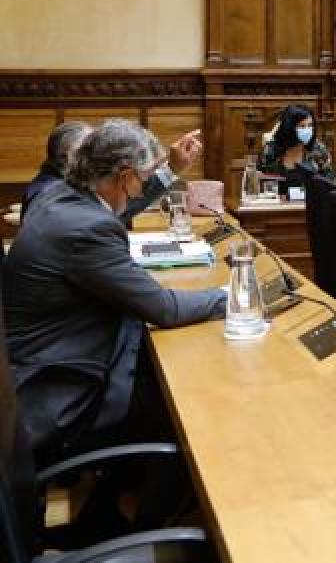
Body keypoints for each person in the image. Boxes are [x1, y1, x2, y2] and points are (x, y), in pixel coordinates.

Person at [3, 119, 227, 462]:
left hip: (35, 370)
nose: (145, 185)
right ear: (124, 175)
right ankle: (120, 514)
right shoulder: (87, 230)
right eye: (146, 176)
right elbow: (164, 309)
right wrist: (232, 295)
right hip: (61, 393)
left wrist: (171, 170)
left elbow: (115, 208)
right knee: (191, 415)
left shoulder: (62, 197)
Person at [21, 122, 204, 222]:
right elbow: (109, 214)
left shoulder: (65, 187)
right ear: (67, 157)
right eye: (87, 149)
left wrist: (172, 168)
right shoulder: (48, 194)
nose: (95, 153)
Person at [258, 104, 336, 184]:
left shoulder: (319, 150)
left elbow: (330, 184)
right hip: (275, 196)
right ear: (289, 128)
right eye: (302, 126)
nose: (307, 130)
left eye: (310, 125)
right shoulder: (271, 149)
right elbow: (259, 180)